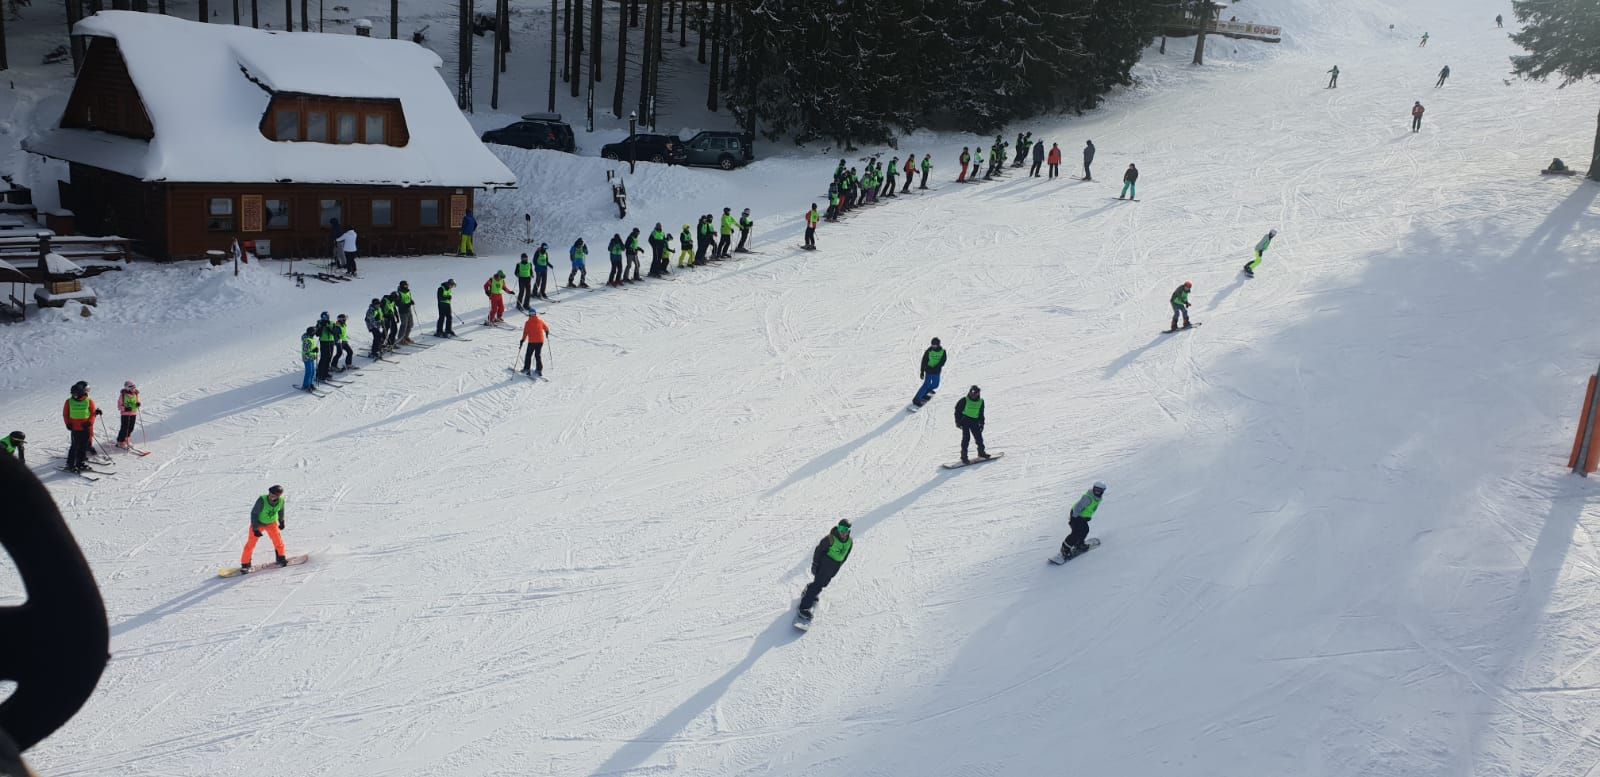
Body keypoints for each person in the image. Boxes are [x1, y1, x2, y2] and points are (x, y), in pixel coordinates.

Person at [798, 519, 853, 620]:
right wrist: (815, 564)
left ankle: (809, 590)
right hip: (825, 563)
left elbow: (846, 555)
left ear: (849, 531)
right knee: (818, 585)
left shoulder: (850, 542)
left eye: (845, 530)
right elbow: (818, 550)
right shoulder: (830, 539)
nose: (843, 532)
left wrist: (839, 565)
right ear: (838, 528)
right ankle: (804, 608)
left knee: (823, 583)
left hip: (835, 566)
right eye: (841, 529)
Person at [239, 484, 289, 573]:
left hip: (271, 523)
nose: (270, 496)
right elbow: (254, 513)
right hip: (258, 523)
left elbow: (281, 511)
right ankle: (245, 564)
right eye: (270, 494)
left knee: (278, 541)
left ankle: (281, 558)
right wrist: (255, 528)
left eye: (273, 495)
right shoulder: (262, 500)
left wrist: (281, 521)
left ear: (278, 496)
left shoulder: (281, 501)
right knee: (250, 544)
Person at [1057, 481, 1106, 560]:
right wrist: (1073, 519)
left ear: (1102, 491)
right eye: (1096, 489)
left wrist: (1087, 517)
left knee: (1085, 530)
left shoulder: (1097, 498)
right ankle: (1065, 549)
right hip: (1076, 515)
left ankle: (1079, 544)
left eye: (1099, 490)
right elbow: (1077, 508)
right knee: (1076, 533)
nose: (1097, 491)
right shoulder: (1088, 498)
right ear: (1093, 488)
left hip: (1082, 517)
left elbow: (1089, 509)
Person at [63, 382, 100, 471]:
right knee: (74, 446)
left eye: (76, 393)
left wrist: (90, 422)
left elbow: (93, 413)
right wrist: (67, 423)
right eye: (72, 393)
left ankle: (80, 463)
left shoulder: (89, 401)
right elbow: (65, 414)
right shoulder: (69, 402)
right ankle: (70, 464)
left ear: (81, 393)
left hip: (85, 428)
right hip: (75, 428)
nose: (74, 395)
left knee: (83, 447)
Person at [953, 385, 989, 465]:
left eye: (975, 393)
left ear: (978, 393)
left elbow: (981, 413)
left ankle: (981, 453)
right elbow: (957, 412)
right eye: (971, 393)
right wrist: (957, 422)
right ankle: (964, 457)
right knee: (966, 438)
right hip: (965, 421)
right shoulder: (964, 400)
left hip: (975, 421)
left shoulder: (981, 401)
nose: (973, 395)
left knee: (979, 438)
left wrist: (982, 423)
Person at [912, 337, 946, 407]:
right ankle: (916, 399)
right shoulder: (929, 351)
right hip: (929, 370)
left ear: (938, 345)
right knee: (926, 384)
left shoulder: (943, 352)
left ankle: (925, 394)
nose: (933, 346)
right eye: (932, 345)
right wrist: (922, 371)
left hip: (936, 371)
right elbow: (924, 361)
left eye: (935, 345)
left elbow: (943, 361)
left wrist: (937, 367)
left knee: (935, 385)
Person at [519, 309, 551, 376]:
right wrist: (547, 332)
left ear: (529, 314)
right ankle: (539, 369)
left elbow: (525, 333)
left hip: (532, 342)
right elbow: (546, 328)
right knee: (537, 355)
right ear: (535, 314)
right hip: (540, 341)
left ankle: (527, 368)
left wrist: (522, 340)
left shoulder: (527, 323)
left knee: (528, 355)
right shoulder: (540, 321)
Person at [314, 312, 336, 382]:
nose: (325, 318)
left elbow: (334, 332)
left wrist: (327, 327)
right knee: (324, 358)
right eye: (323, 317)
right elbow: (317, 334)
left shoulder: (331, 323)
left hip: (331, 341)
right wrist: (321, 327)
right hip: (324, 342)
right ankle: (319, 375)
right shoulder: (319, 323)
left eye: (326, 317)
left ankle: (325, 373)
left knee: (329, 357)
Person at [299, 327, 319, 392]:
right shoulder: (307, 340)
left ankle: (310, 384)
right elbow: (306, 351)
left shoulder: (311, 338)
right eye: (314, 332)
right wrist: (314, 351)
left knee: (312, 371)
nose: (315, 333)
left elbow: (312, 348)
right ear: (311, 332)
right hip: (307, 358)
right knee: (309, 372)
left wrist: (315, 350)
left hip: (311, 357)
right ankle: (306, 385)